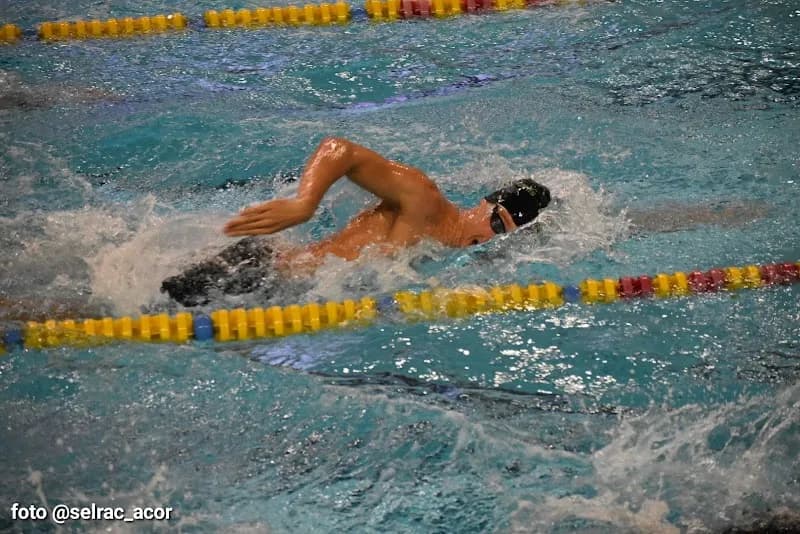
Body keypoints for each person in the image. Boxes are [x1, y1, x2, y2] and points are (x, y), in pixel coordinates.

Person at [161, 137, 552, 306]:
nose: (489, 236)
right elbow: (339, 149)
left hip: (277, 294)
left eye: (503, 235)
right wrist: (304, 205)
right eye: (497, 222)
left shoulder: (444, 252)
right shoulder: (425, 200)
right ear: (484, 203)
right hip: (259, 271)